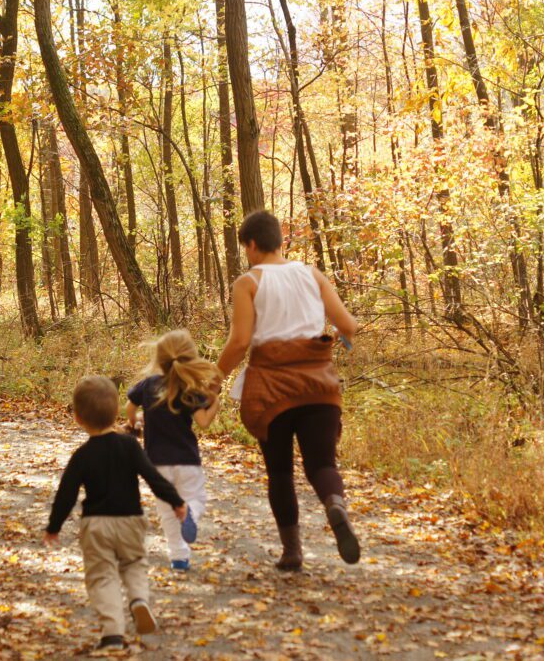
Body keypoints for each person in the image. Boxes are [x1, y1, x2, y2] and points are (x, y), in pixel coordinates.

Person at [216, 211, 361, 571]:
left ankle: (292, 552)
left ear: (251, 245)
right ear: (279, 239)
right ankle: (335, 504)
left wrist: (215, 376)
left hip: (272, 390)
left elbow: (240, 342)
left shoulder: (248, 283)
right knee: (322, 463)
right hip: (319, 385)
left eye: (245, 247)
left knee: (280, 471)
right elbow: (348, 325)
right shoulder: (311, 274)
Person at [44, 375, 188, 652]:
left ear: (78, 418)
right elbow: (152, 476)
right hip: (131, 520)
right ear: (115, 414)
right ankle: (138, 600)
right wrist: (176, 501)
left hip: (96, 525)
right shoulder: (130, 446)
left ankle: (112, 633)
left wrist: (54, 526)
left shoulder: (82, 455)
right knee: (134, 563)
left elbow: (66, 494)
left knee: (102, 575)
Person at [126, 329, 222, 572]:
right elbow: (203, 422)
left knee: (167, 511)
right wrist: (215, 404)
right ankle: (190, 511)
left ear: (160, 358)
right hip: (187, 461)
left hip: (156, 463)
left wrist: (134, 423)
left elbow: (129, 406)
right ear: (190, 357)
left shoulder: (148, 386)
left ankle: (179, 557)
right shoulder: (190, 389)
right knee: (196, 499)